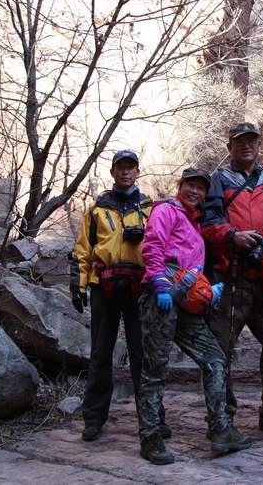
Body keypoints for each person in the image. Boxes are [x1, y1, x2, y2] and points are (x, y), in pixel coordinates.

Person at [136, 167, 253, 465]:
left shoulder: (193, 221)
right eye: (191, 185)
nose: (195, 192)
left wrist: (208, 292)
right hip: (162, 294)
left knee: (214, 357)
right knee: (155, 367)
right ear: (181, 185)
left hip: (186, 297)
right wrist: (160, 283)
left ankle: (221, 429)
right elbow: (152, 246)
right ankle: (150, 438)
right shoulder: (167, 210)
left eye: (201, 188)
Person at [200, 122, 263, 440]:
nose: (246, 146)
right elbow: (209, 221)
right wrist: (233, 237)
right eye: (240, 142)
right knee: (219, 349)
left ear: (259, 144)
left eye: (252, 141)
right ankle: (222, 417)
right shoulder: (219, 181)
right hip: (231, 278)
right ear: (230, 146)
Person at [70, 149, 163, 442]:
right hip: (104, 284)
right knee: (100, 353)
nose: (125, 172)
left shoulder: (150, 207)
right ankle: (94, 418)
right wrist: (79, 285)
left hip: (140, 286)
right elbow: (83, 250)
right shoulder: (97, 209)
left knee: (142, 354)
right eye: (120, 167)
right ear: (112, 172)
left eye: (130, 167)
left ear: (138, 172)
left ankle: (152, 418)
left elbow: (162, 243)